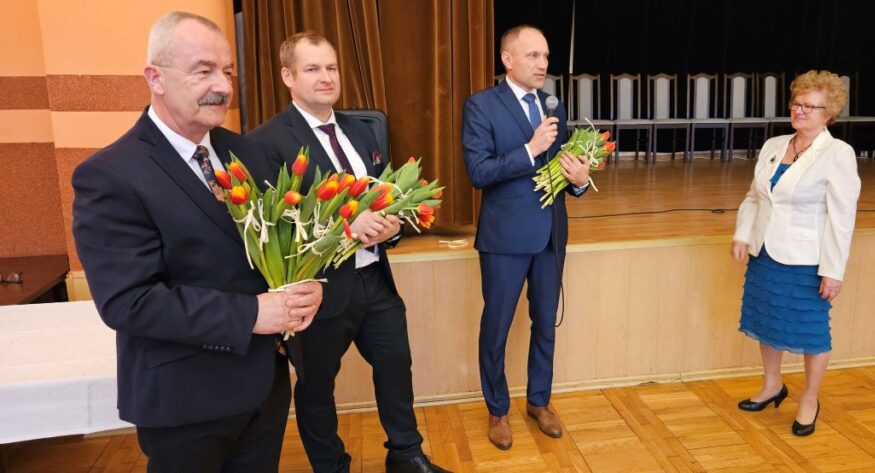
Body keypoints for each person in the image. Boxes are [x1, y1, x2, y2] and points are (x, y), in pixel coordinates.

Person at [71, 12, 323, 472]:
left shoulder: (247, 152)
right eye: (202, 70)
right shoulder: (110, 175)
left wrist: (307, 283)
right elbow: (130, 301)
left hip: (264, 387)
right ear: (156, 78)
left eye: (227, 71)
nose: (223, 86)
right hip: (185, 402)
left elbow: (283, 245)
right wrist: (254, 313)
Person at [248, 32, 449, 473]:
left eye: (331, 68)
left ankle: (406, 455)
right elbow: (271, 229)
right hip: (318, 291)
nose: (326, 77)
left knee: (396, 365)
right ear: (288, 76)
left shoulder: (363, 130)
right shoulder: (265, 142)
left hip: (375, 279)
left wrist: (392, 227)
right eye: (313, 69)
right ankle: (332, 466)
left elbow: (386, 196)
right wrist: (344, 227)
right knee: (317, 388)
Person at [461, 25, 591, 450]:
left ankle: (539, 401)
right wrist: (531, 149)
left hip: (551, 235)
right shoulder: (481, 106)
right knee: (496, 329)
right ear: (507, 59)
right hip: (504, 238)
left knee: (545, 325)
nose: (543, 65)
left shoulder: (554, 104)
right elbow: (479, 172)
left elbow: (567, 164)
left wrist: (579, 180)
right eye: (533, 56)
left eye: (547, 56)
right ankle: (497, 409)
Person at [731, 70, 861, 437]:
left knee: (811, 331)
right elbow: (755, 197)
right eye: (797, 103)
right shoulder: (774, 145)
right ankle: (773, 385)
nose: (800, 111)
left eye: (811, 106)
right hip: (765, 251)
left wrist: (834, 270)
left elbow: (842, 219)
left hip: (806, 260)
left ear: (829, 113)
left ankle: (809, 398)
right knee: (767, 321)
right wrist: (742, 235)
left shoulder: (838, 154)